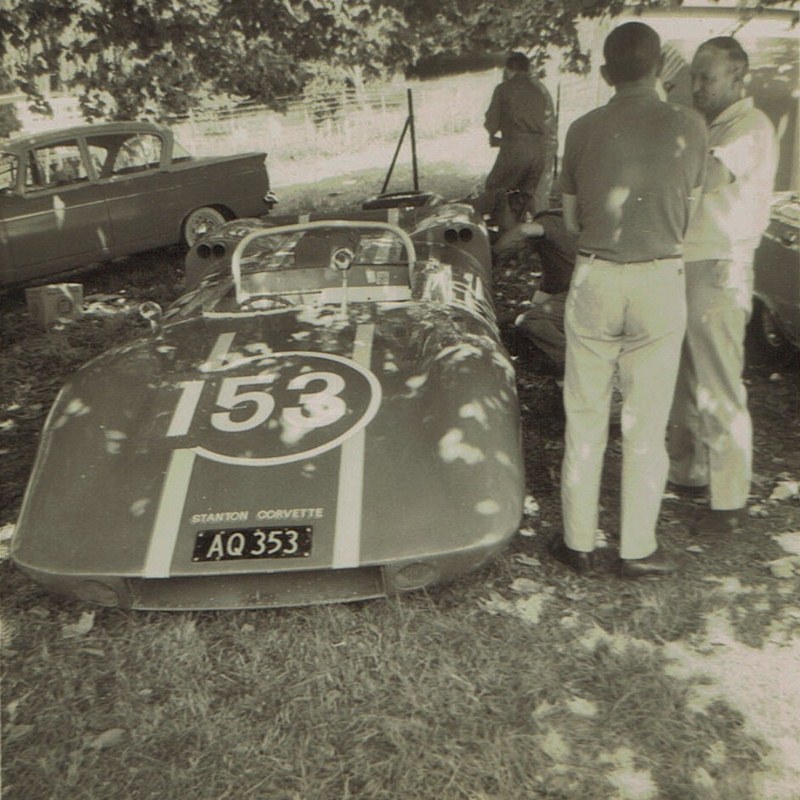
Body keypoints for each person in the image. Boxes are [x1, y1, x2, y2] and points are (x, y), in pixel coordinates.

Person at [552, 21, 707, 578]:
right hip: (660, 278)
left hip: (596, 275)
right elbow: (689, 211)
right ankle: (637, 548)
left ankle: (578, 542)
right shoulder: (690, 126)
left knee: (585, 413)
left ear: (604, 74)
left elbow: (571, 221)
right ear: (659, 68)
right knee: (646, 419)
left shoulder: (581, 129)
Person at [667, 38, 778, 534]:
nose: (696, 87)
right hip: (688, 259)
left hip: (720, 263)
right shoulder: (708, 122)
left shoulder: (751, 127)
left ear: (738, 77)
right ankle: (689, 471)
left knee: (718, 381)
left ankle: (729, 499)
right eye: (693, 76)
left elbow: (707, 176)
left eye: (706, 78)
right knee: (684, 376)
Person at [494, 209, 577, 376]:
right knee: (532, 322)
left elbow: (523, 230)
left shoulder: (551, 223)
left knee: (531, 321)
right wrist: (497, 320)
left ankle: (578, 363)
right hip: (599, 296)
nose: (518, 257)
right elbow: (538, 306)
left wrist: (493, 254)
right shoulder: (554, 262)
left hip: (597, 296)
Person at [484, 52, 557, 223]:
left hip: (515, 150)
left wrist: (495, 134)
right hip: (539, 151)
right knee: (527, 198)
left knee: (495, 190)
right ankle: (535, 231)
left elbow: (491, 122)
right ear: (528, 68)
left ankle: (503, 233)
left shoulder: (504, 88)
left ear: (509, 70)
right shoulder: (539, 89)